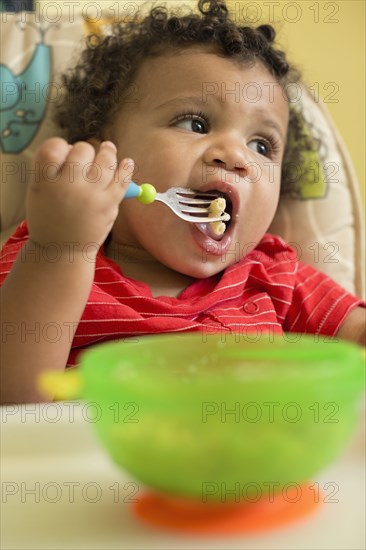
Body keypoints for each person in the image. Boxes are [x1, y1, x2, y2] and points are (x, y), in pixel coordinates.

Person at [1, 0, 365, 404]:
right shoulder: (45, 255)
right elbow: (12, 402)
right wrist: (62, 248)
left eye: (262, 145)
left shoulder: (275, 276)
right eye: (195, 123)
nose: (236, 156)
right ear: (104, 157)